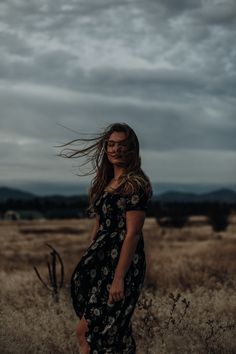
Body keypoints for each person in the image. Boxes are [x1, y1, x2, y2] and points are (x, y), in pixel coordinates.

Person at [58, 123, 153, 354]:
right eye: (111, 144)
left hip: (121, 263)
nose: (115, 149)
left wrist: (119, 278)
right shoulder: (105, 183)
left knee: (87, 331)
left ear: (132, 148)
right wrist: (89, 254)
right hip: (99, 262)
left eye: (122, 145)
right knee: (114, 335)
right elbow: (100, 223)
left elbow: (133, 234)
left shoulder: (135, 184)